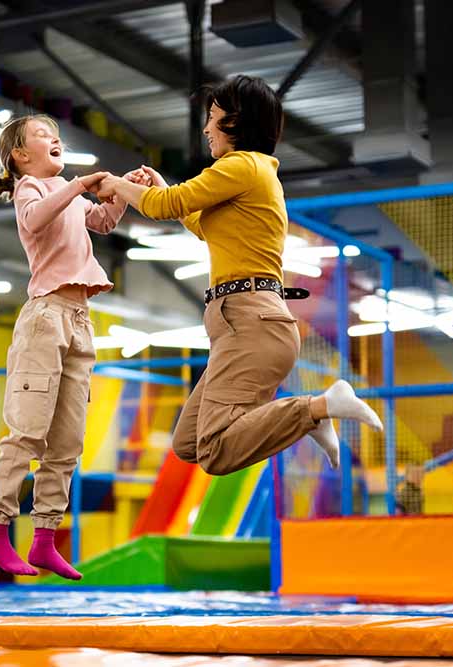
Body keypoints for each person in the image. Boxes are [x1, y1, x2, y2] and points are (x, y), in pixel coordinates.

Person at [95, 75, 382, 477]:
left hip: (250, 323)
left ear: (236, 122)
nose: (206, 128)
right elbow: (199, 222)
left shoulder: (242, 165)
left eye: (212, 117)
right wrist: (160, 188)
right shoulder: (252, 174)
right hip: (246, 324)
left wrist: (116, 185)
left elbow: (164, 205)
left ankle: (315, 408)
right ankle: (309, 418)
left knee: (214, 451)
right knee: (189, 442)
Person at [0, 114, 149, 579]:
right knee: (28, 430)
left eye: (56, 135)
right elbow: (34, 220)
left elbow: (105, 222)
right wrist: (76, 186)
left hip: (80, 318)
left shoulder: (67, 197)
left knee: (68, 440)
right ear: (20, 155)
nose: (54, 139)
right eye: (42, 135)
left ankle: (44, 537)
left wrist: (123, 192)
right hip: (45, 317)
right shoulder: (29, 190)